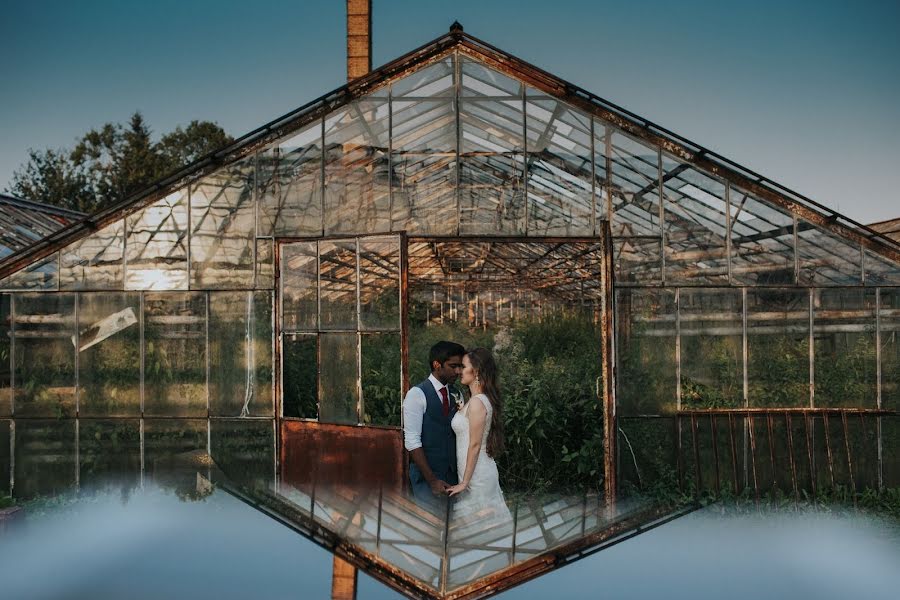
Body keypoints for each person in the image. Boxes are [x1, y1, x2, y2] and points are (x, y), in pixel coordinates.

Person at [446, 347, 511, 523]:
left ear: (476, 372)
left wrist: (465, 483)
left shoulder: (477, 403)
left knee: (481, 528)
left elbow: (474, 445)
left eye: (463, 366)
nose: (459, 371)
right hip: (470, 471)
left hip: (477, 475)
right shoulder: (474, 400)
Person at [402, 340, 466, 510]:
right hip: (427, 478)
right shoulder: (416, 394)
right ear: (437, 365)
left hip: (454, 477)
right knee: (429, 528)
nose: (458, 371)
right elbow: (412, 441)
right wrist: (432, 480)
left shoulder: (456, 393)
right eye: (453, 366)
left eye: (460, 366)